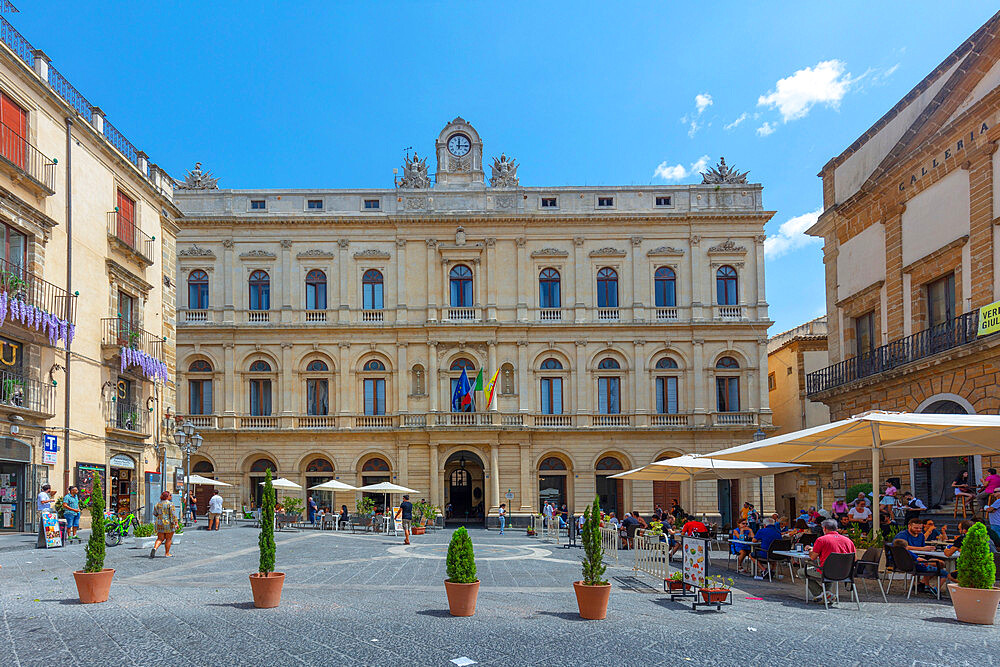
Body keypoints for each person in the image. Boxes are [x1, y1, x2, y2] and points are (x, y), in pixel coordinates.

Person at [805, 518, 856, 604]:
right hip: (846, 573)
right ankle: (827, 595)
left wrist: (810, 551)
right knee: (829, 569)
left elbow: (813, 557)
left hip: (827, 572)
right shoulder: (848, 541)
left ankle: (823, 594)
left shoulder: (821, 540)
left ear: (824, 528)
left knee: (801, 572)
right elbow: (855, 558)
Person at [894, 518, 945, 595]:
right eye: (916, 528)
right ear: (909, 526)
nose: (918, 530)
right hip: (910, 560)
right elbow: (903, 547)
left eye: (920, 528)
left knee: (941, 563)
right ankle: (926, 585)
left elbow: (922, 549)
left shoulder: (921, 535)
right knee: (934, 565)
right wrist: (923, 549)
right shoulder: (902, 535)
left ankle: (922, 583)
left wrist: (929, 549)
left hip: (919, 558)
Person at [151, 491, 177, 558]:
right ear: (167, 496)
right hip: (168, 523)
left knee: (160, 538)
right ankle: (167, 553)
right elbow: (173, 515)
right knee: (168, 538)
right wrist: (176, 523)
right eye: (170, 495)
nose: (171, 496)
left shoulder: (157, 504)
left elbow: (155, 513)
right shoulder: (170, 504)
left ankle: (155, 548)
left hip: (160, 523)